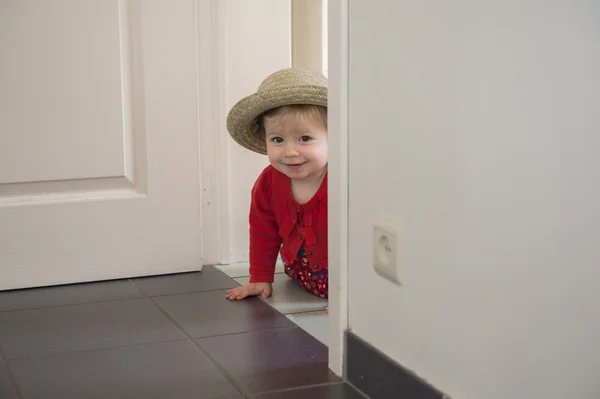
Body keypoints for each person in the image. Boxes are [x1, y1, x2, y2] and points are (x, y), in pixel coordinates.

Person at [224, 68, 328, 303]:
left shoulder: (343, 180)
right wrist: (260, 276)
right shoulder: (269, 182)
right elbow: (263, 230)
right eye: (278, 140)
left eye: (305, 138)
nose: (290, 152)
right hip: (301, 273)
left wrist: (350, 299)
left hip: (347, 278)